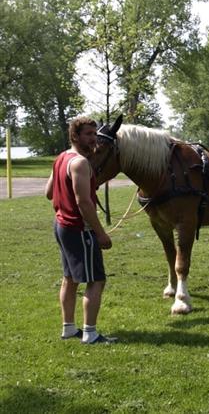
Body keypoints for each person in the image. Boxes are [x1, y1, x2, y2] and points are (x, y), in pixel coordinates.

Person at [46, 116, 116, 344]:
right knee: (96, 280)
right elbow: (83, 202)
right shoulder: (80, 163)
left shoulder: (61, 158)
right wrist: (100, 233)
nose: (94, 138)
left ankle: (68, 328)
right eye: (88, 134)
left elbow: (49, 192)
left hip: (61, 226)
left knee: (70, 278)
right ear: (75, 136)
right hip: (79, 229)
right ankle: (90, 333)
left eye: (95, 134)